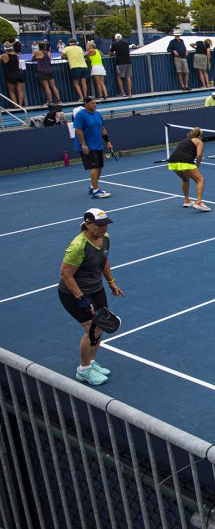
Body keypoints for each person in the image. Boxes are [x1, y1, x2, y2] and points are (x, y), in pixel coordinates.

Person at [58, 207, 124, 387]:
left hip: (96, 289)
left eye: (106, 224)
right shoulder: (78, 246)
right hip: (73, 293)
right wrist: (81, 298)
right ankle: (84, 370)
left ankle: (91, 362)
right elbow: (66, 275)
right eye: (100, 225)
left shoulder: (105, 239)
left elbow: (104, 259)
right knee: (93, 330)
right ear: (87, 224)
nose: (104, 228)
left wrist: (111, 282)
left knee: (101, 325)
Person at [73, 96, 113, 198]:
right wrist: (83, 144)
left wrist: (107, 142)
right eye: (92, 103)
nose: (95, 105)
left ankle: (92, 187)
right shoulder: (80, 115)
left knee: (100, 166)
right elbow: (78, 130)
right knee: (94, 167)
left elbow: (103, 128)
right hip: (87, 147)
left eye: (95, 103)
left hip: (98, 145)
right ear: (86, 104)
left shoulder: (98, 114)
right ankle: (96, 191)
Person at [166, 126, 210, 211]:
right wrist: (197, 165)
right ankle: (199, 203)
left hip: (172, 161)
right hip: (185, 161)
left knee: (185, 178)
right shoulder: (199, 141)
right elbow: (199, 155)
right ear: (200, 135)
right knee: (200, 179)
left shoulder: (184, 141)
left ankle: (187, 201)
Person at [1, 43, 25, 107]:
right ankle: (20, 104)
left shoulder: (4, 55)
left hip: (11, 74)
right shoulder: (16, 55)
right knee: (20, 91)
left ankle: (16, 105)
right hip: (19, 73)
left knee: (11, 91)